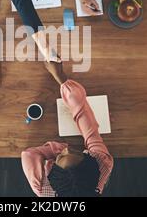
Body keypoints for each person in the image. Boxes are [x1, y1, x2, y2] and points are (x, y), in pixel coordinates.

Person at [21, 62, 113, 196]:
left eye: (61, 157)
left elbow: (29, 155)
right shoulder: (103, 162)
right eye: (76, 153)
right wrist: (61, 78)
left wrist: (57, 149)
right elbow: (85, 118)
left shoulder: (42, 188)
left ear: (51, 173)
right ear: (91, 161)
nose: (67, 148)